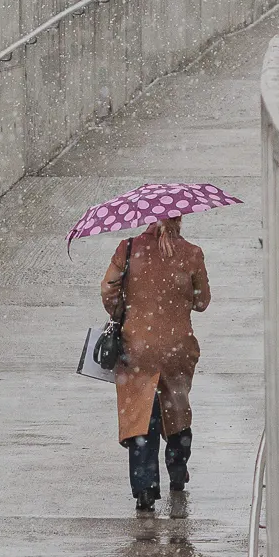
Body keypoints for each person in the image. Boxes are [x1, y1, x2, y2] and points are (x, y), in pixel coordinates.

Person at [99, 216, 210, 512]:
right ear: (180, 219)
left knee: (141, 415)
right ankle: (177, 472)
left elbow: (108, 290)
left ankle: (145, 488)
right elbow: (202, 302)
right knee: (176, 409)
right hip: (177, 348)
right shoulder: (192, 253)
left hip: (137, 348)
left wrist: (123, 311)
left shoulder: (128, 248)